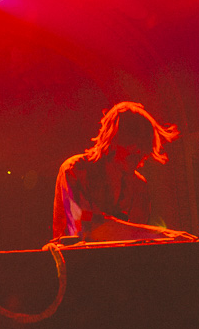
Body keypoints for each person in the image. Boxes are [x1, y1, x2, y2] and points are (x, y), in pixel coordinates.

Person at [52, 101, 191, 241]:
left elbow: (137, 242)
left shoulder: (139, 186)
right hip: (72, 260)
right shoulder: (75, 170)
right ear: (113, 139)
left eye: (144, 145)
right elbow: (88, 228)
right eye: (132, 142)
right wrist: (165, 235)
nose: (138, 151)